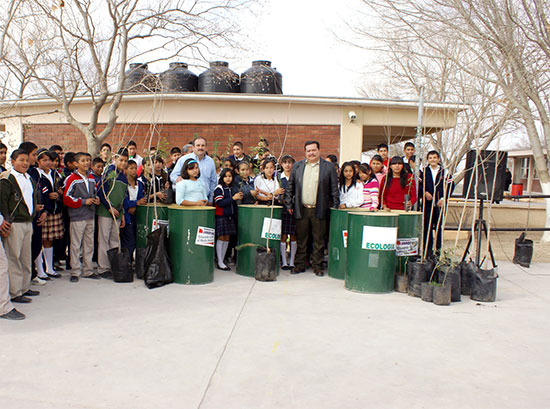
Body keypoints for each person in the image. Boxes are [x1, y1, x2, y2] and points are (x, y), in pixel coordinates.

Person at [284, 141, 339, 276]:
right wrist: (289, 205)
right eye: (308, 151)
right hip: (301, 208)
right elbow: (290, 187)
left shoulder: (328, 167)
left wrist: (335, 206)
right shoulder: (297, 166)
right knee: (301, 239)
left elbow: (334, 189)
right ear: (305, 152)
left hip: (320, 208)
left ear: (319, 151)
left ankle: (317, 266)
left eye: (314, 150)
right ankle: (300, 265)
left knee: (319, 240)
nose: (311, 153)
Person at [0, 149, 44, 303]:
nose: (25, 163)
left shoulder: (29, 178)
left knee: (26, 257)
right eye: (21, 160)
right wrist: (6, 220)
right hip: (15, 223)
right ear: (12, 161)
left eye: (27, 160)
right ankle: (15, 291)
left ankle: (25, 287)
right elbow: (3, 202)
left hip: (27, 222)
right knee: (14, 257)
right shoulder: (8, 178)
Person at [63, 152, 101, 282]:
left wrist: (96, 200)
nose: (87, 163)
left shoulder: (91, 178)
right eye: (83, 160)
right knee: (75, 245)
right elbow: (67, 198)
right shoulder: (71, 179)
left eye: (88, 160)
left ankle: (88, 270)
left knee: (89, 244)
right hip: (77, 216)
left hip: (90, 215)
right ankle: (75, 271)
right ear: (76, 163)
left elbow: (94, 193)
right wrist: (83, 201)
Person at [96, 149, 128, 279]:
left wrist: (123, 214)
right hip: (106, 212)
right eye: (121, 160)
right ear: (115, 159)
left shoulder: (123, 176)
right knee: (104, 238)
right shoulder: (109, 172)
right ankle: (103, 268)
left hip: (118, 213)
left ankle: (113, 265)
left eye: (126, 161)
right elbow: (101, 192)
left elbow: (123, 197)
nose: (123, 163)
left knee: (115, 239)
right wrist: (109, 208)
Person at [419, 150, 454, 257]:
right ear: (427, 160)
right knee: (426, 228)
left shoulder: (445, 172)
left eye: (435, 157)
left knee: (439, 227)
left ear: (438, 159)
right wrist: (424, 193)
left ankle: (438, 252)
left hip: (439, 204)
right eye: (430, 158)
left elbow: (450, 186)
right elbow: (419, 185)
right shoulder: (423, 171)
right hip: (427, 204)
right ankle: (427, 252)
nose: (433, 160)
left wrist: (443, 199)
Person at [36, 149, 65, 279]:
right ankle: (40, 270)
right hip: (43, 211)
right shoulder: (36, 174)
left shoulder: (54, 174)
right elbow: (38, 193)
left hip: (54, 210)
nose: (48, 163)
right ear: (38, 161)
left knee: (50, 240)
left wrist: (58, 192)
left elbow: (58, 187)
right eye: (44, 160)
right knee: (40, 240)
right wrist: (47, 196)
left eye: (50, 160)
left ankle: (49, 267)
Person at [170, 137, 217, 203]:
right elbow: (173, 175)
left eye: (203, 145)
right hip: (187, 201)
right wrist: (179, 179)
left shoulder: (210, 161)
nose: (200, 147)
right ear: (193, 147)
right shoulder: (183, 159)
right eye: (198, 145)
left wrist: (210, 200)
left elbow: (213, 181)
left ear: (206, 148)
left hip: (204, 201)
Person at [214, 168, 242, 271]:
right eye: (225, 176)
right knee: (221, 237)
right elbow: (219, 203)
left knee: (227, 238)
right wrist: (233, 198)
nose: (228, 178)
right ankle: (220, 261)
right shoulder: (219, 188)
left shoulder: (232, 188)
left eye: (230, 176)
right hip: (222, 216)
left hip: (230, 216)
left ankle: (223, 259)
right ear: (222, 177)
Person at [121, 160, 146, 261]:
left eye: (135, 168)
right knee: (128, 240)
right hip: (126, 215)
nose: (134, 170)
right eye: (131, 168)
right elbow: (123, 201)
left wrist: (136, 205)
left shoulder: (139, 184)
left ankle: (132, 260)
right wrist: (135, 203)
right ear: (125, 170)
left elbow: (141, 199)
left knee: (136, 238)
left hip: (136, 214)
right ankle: (126, 261)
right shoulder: (123, 184)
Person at [279, 155, 297, 270]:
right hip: (283, 208)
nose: (287, 165)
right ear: (281, 164)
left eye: (289, 162)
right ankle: (284, 261)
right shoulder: (279, 178)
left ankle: (292, 261)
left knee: (294, 235)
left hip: (295, 209)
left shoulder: (296, 177)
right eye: (285, 162)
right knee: (283, 235)